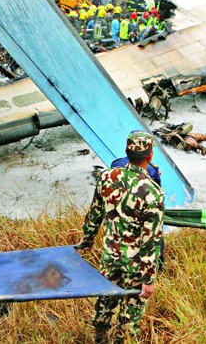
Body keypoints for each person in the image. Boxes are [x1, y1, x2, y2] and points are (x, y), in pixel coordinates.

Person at [78, 131, 164, 344]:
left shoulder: (107, 177)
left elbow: (95, 214)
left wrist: (87, 240)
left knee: (104, 305)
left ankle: (99, 340)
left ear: (126, 153)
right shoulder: (153, 192)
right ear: (149, 156)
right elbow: (151, 240)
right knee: (129, 317)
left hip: (110, 257)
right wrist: (149, 279)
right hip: (135, 265)